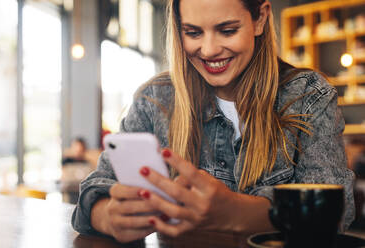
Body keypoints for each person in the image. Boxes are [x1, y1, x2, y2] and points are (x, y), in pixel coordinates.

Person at [72, 0, 355, 243]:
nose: (208, 50)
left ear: (260, 18)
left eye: (227, 30)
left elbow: (337, 212)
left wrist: (234, 212)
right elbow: (93, 191)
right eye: (193, 32)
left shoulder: (308, 95)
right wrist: (108, 216)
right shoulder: (154, 99)